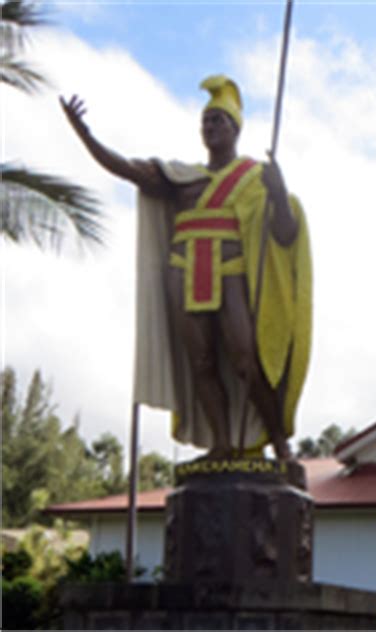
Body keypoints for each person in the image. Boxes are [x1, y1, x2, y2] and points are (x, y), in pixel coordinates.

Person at [60, 75, 312, 461]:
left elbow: (284, 233)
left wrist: (277, 191)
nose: (210, 127)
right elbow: (127, 169)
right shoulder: (182, 179)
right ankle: (223, 444)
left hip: (230, 271)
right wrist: (85, 135)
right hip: (184, 270)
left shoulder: (253, 179)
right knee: (202, 362)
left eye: (218, 121)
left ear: (235, 130)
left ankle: (278, 440)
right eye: (206, 122)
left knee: (246, 360)